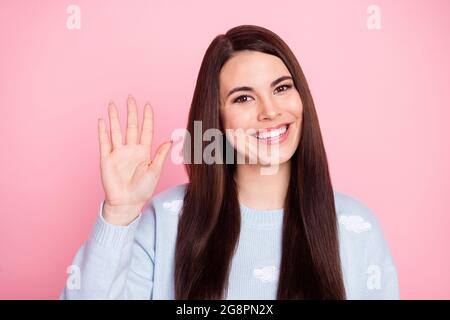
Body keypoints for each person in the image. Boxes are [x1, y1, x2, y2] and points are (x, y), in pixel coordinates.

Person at [60, 25, 400, 300]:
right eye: (244, 98)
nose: (270, 111)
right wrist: (119, 213)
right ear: (216, 120)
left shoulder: (357, 227)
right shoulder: (164, 221)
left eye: (281, 88)